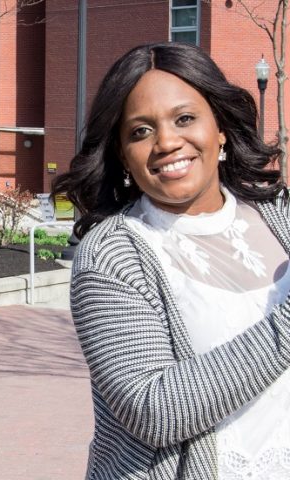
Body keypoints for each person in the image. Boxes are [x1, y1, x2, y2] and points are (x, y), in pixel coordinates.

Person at [52, 42, 290, 479]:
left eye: (184, 119)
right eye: (140, 131)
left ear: (220, 127)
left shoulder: (280, 215)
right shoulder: (112, 255)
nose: (166, 142)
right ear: (123, 154)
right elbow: (153, 410)